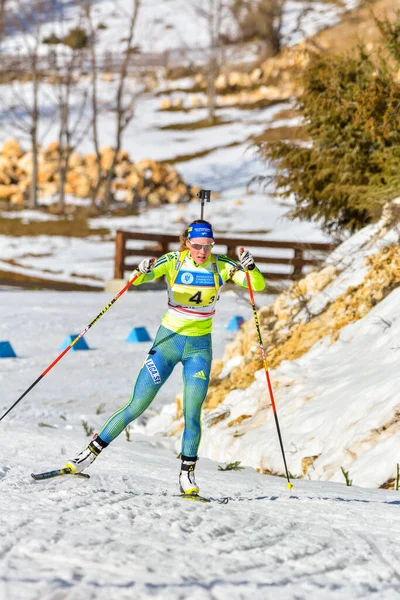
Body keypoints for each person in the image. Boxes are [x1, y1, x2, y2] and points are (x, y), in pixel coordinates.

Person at [66, 220, 265, 495]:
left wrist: (251, 268)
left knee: (192, 412)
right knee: (137, 405)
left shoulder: (221, 265)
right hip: (167, 343)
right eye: (197, 246)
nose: (202, 252)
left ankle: (187, 476)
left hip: (199, 349)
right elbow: (140, 278)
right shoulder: (173, 261)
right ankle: (86, 456)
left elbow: (258, 286)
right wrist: (142, 269)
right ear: (187, 243)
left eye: (208, 246)